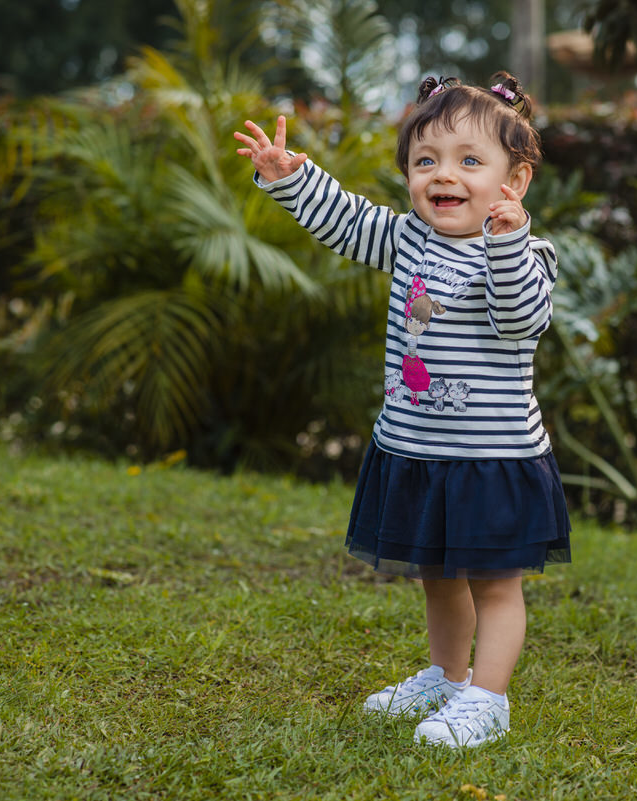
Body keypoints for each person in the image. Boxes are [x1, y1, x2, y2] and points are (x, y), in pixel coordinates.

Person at [234, 72, 570, 748]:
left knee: (495, 585)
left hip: (493, 458)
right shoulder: (409, 239)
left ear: (516, 181)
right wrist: (291, 178)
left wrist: (506, 241)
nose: (444, 176)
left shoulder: (528, 256)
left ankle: (488, 698)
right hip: (415, 448)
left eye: (470, 161)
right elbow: (348, 219)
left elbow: (521, 319)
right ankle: (448, 676)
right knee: (439, 576)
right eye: (426, 161)